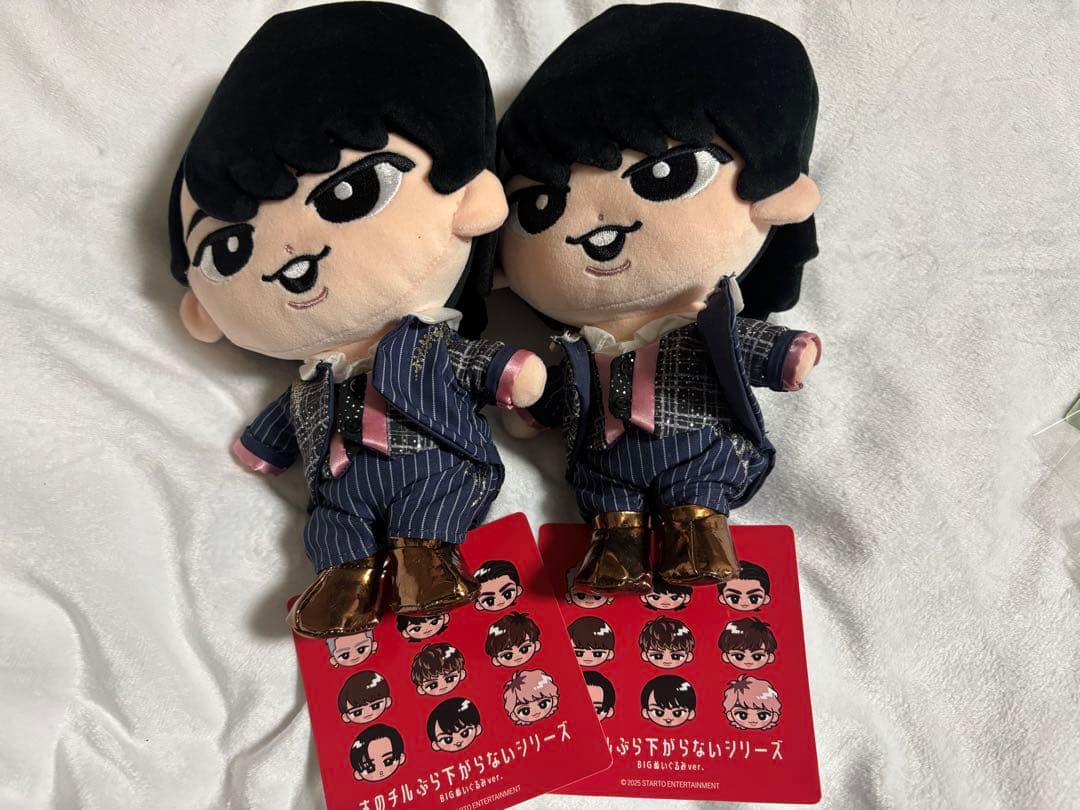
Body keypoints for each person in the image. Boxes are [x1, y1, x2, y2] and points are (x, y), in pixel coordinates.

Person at [167, 2, 545, 638]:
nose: (291, 260)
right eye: (228, 247)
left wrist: (517, 373)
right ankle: (345, 577)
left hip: (435, 465)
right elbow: (279, 428)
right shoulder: (309, 383)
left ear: (472, 201)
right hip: (341, 486)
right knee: (332, 524)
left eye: (352, 192)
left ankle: (425, 560)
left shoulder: (428, 347)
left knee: (433, 500)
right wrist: (260, 449)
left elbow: (483, 364)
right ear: (201, 307)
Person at [498, 4, 821, 595]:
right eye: (540, 206)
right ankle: (613, 547)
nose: (593, 230)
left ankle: (699, 533)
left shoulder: (701, 326)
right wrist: (532, 408)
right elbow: (561, 391)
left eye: (667, 175)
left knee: (696, 488)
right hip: (605, 461)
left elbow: (742, 344)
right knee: (607, 497)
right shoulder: (579, 347)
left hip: (698, 446)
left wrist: (784, 354)